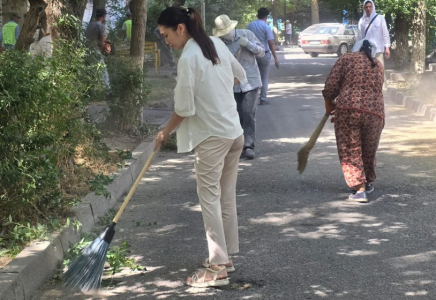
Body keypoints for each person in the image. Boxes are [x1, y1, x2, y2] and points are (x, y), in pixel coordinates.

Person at [154, 6, 247, 287]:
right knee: (225, 198)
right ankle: (226, 259)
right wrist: (216, 97)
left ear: (180, 29)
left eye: (165, 34)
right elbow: (238, 75)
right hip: (234, 133)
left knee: (209, 201)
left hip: (212, 139)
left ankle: (217, 267)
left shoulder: (189, 57)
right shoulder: (215, 44)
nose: (165, 41)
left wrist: (164, 132)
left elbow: (183, 108)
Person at [323, 40, 384, 203]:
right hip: (375, 112)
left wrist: (329, 104)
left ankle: (359, 189)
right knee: (369, 148)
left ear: (356, 50)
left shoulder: (346, 59)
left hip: (349, 110)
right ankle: (368, 181)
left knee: (350, 147)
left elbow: (331, 86)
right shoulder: (378, 64)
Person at [213, 14, 264, 160]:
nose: (225, 34)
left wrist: (248, 44)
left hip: (251, 82)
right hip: (231, 84)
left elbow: (261, 52)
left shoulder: (247, 34)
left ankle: (249, 146)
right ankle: (237, 146)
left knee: (248, 113)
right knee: (235, 115)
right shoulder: (219, 43)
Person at [247, 7, 280, 105]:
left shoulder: (249, 26)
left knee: (252, 76)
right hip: (264, 54)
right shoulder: (266, 27)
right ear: (266, 16)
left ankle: (251, 99)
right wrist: (276, 59)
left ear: (258, 15)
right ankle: (263, 98)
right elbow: (271, 43)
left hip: (251, 54)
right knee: (264, 77)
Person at [356, 0, 390, 67]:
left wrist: (387, 48)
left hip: (378, 50)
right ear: (364, 8)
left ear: (373, 7)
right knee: (368, 73)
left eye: (370, 7)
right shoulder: (361, 21)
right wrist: (357, 50)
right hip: (366, 52)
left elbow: (385, 33)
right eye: (366, 7)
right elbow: (359, 37)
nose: (368, 9)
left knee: (380, 71)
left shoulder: (380, 18)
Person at [85, 8, 110, 90]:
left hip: (86, 50)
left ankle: (89, 90)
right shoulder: (101, 26)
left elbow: (91, 38)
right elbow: (101, 43)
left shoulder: (90, 25)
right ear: (104, 16)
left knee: (90, 70)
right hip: (95, 51)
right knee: (103, 71)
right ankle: (107, 90)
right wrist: (104, 50)